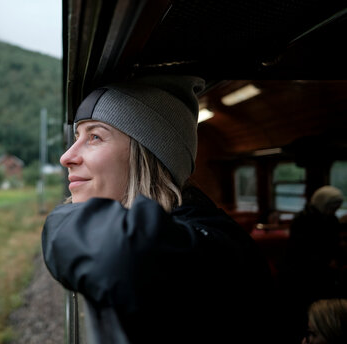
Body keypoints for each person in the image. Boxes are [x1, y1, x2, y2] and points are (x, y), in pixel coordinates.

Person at [41, 75, 277, 343]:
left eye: (95, 136)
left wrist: (61, 222)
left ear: (146, 155)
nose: (66, 157)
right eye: (76, 137)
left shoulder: (216, 249)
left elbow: (119, 257)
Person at [278, 186, 345, 342]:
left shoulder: (332, 219)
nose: (334, 210)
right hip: (302, 274)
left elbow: (335, 244)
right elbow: (300, 251)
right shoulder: (303, 220)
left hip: (324, 272)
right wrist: (326, 261)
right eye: (332, 206)